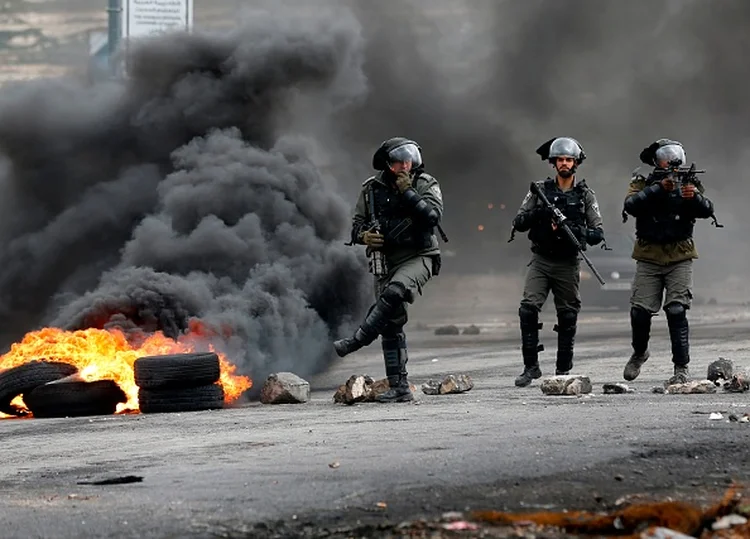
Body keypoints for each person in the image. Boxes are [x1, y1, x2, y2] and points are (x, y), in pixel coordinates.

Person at [333, 137, 444, 403]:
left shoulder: (424, 183)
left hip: (419, 256)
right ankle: (399, 387)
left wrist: (408, 192)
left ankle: (358, 340)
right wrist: (365, 237)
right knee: (391, 324)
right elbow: (356, 227)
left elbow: (432, 217)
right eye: (399, 161)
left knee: (395, 292)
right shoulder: (371, 190)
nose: (405, 165)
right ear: (387, 164)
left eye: (409, 160)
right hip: (386, 260)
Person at [510, 137, 605, 387]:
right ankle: (531, 367)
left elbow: (598, 233)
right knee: (528, 309)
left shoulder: (585, 195)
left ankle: (563, 368)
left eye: (569, 160)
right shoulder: (539, 191)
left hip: (568, 262)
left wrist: (574, 230)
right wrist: (541, 212)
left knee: (568, 315)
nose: (564, 163)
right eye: (560, 159)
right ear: (553, 163)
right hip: (541, 259)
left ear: (576, 163)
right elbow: (518, 222)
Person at [621, 139, 716, 385]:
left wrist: (693, 197)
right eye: (664, 156)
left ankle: (681, 367)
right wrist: (658, 189)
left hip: (680, 255)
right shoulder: (642, 182)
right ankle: (640, 352)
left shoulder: (690, 182)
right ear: (655, 161)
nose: (670, 161)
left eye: (674, 156)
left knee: (676, 310)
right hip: (649, 255)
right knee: (640, 311)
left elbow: (707, 210)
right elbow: (631, 205)